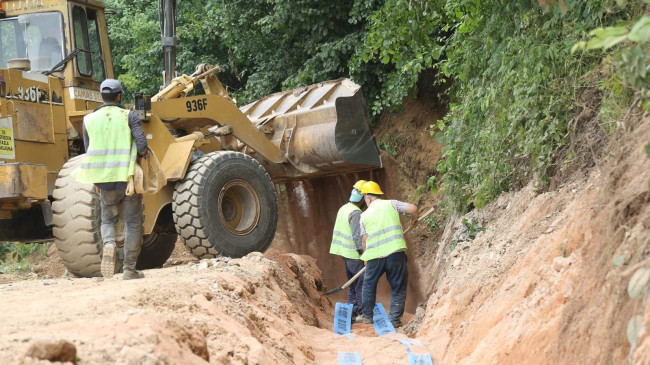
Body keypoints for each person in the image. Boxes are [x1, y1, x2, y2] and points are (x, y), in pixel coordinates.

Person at [74, 79, 149, 280]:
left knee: (107, 219)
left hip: (104, 181)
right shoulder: (128, 116)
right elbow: (142, 146)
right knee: (132, 223)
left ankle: (109, 245)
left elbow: (89, 151)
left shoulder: (89, 119)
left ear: (101, 96)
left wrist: (97, 182)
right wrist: (143, 155)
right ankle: (129, 270)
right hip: (127, 180)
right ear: (119, 96)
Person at [355, 181, 418, 328]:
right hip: (395, 252)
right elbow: (413, 208)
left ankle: (367, 317)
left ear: (368, 198)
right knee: (398, 286)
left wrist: (366, 258)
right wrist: (413, 222)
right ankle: (395, 319)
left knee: (368, 286)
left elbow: (365, 240)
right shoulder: (392, 204)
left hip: (374, 256)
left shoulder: (363, 216)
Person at [329, 180, 367, 318]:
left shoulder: (344, 208)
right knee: (360, 284)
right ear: (363, 198)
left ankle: (353, 310)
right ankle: (362, 313)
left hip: (345, 252)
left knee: (352, 282)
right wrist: (364, 254)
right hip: (354, 254)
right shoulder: (356, 212)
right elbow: (357, 237)